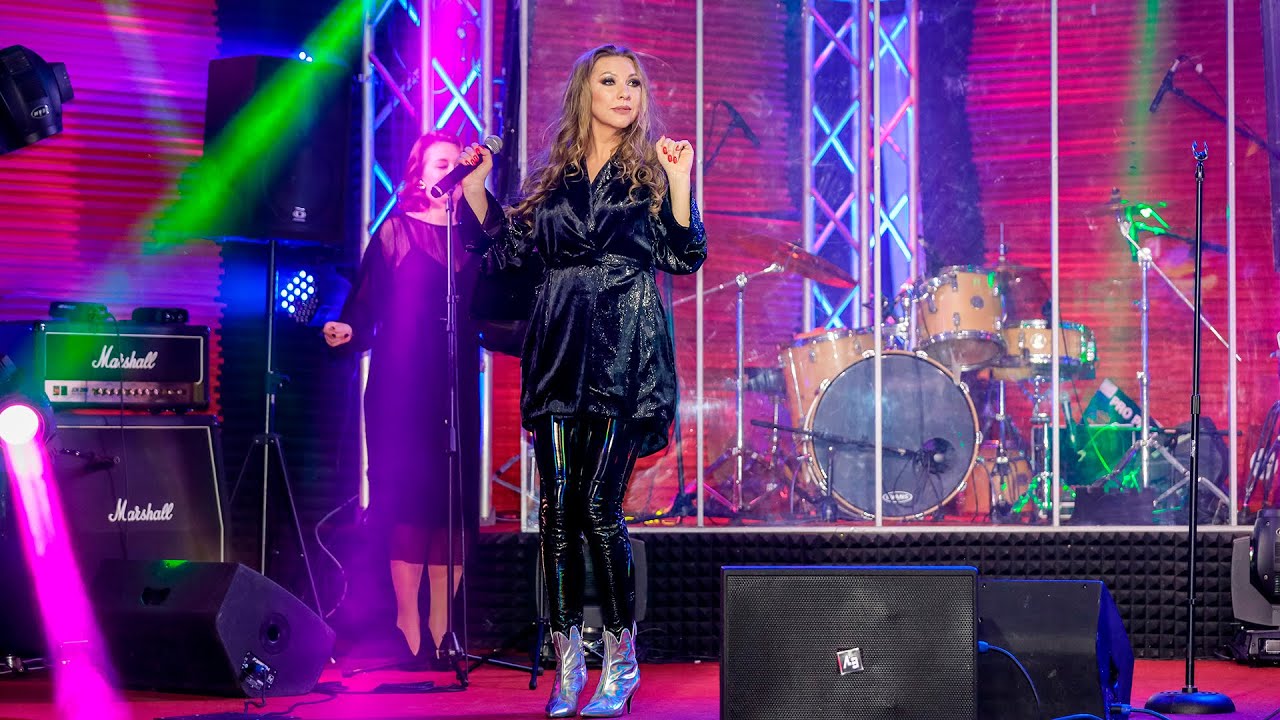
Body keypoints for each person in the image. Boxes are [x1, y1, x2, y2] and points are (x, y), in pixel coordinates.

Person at [458, 44, 706, 718]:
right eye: (610, 81)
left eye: (634, 83)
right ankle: (570, 665)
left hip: (626, 355)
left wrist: (681, 180)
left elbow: (684, 254)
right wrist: (476, 189)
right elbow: (505, 251)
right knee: (557, 513)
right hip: (559, 350)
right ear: (584, 94)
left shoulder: (649, 173)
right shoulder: (554, 180)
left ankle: (620, 661)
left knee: (599, 507)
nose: (625, 92)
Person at [323, 132, 481, 671]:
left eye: (458, 164)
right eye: (441, 163)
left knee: (451, 505)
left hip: (456, 384)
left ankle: (443, 627)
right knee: (410, 501)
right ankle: (408, 625)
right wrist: (348, 328)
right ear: (419, 174)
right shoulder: (394, 231)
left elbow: (498, 304)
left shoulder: (476, 238)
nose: (451, 171)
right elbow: (364, 304)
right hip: (401, 386)